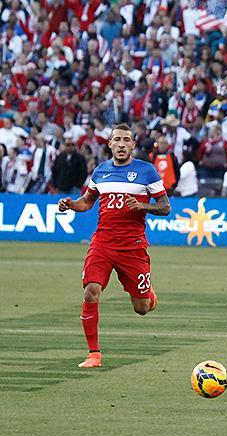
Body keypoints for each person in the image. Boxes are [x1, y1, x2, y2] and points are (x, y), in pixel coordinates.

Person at [57, 124, 171, 369]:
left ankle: (148, 295)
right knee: (91, 290)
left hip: (133, 246)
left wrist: (143, 206)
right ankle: (94, 354)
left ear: (133, 144)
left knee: (141, 308)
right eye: (116, 139)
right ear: (109, 144)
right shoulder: (101, 171)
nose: (121, 144)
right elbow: (87, 202)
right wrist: (71, 204)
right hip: (103, 242)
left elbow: (165, 207)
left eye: (126, 140)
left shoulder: (147, 171)